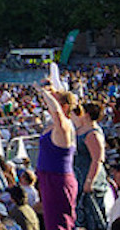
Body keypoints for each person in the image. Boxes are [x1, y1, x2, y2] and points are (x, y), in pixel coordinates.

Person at [33, 85, 78, 230]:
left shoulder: (64, 125)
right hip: (49, 178)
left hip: (57, 180)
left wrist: (43, 92)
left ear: (64, 107)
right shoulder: (54, 126)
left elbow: (58, 113)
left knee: (59, 224)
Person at [71, 102, 111, 230]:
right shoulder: (80, 130)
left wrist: (89, 181)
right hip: (78, 175)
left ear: (87, 114)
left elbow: (97, 159)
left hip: (89, 178)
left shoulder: (93, 133)